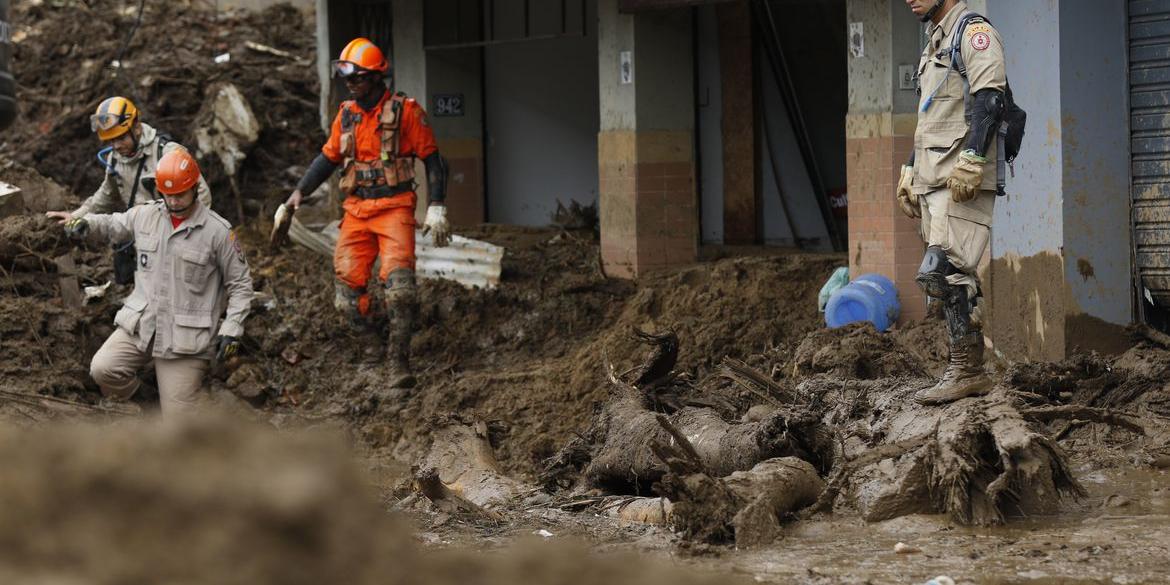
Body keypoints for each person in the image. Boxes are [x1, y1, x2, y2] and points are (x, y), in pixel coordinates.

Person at [284, 37, 451, 391]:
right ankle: (374, 344)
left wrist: (437, 205)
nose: (351, 83)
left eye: (357, 77)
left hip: (395, 207)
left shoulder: (406, 111)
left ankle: (398, 360)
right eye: (347, 77)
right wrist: (300, 192)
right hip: (357, 211)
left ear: (377, 77)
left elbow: (433, 159)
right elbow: (327, 159)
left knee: (400, 291)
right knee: (345, 300)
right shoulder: (346, 115)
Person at [64, 149, 253, 416]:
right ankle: (148, 403)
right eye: (167, 195)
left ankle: (187, 408)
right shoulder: (145, 216)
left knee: (178, 423)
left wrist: (232, 329)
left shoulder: (218, 233)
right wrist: (86, 223)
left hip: (185, 339)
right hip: (143, 324)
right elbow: (113, 224)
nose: (173, 202)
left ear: (195, 188)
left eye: (179, 195)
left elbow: (241, 285)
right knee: (102, 370)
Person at [897, 0, 1007, 404]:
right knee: (945, 279)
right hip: (934, 178)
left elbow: (991, 99)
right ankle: (965, 369)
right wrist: (910, 169)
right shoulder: (934, 44)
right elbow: (931, 117)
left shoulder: (973, 33)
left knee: (944, 270)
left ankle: (967, 370)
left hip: (961, 180)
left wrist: (975, 158)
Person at [47, 96, 213, 284]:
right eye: (111, 141)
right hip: (141, 239)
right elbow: (105, 195)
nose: (117, 145)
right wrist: (76, 216)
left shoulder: (167, 153)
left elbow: (202, 194)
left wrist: (187, 234)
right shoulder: (115, 159)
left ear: (136, 127)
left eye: (121, 138)